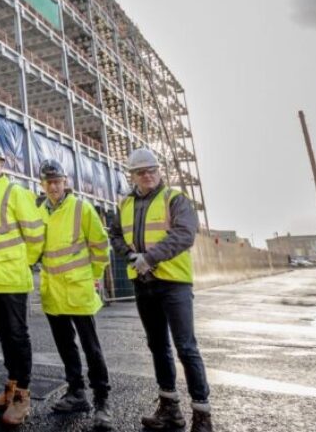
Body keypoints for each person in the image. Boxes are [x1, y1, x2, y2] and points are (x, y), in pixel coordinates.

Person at [109, 148, 213, 432]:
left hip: (173, 283)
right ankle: (169, 409)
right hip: (144, 284)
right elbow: (115, 234)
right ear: (132, 176)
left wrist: (149, 258)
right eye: (141, 172)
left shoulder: (175, 199)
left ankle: (202, 415)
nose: (148, 175)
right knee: (158, 346)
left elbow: (184, 234)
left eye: (152, 170)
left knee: (186, 347)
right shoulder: (125, 204)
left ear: (159, 170)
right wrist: (131, 257)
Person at [35, 159, 113, 428]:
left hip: (79, 289)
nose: (54, 186)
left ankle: (102, 402)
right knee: (66, 346)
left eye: (58, 181)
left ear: (65, 182)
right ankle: (76, 392)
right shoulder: (40, 212)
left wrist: (94, 276)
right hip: (53, 292)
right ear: (42, 185)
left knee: (92, 348)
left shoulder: (82, 208)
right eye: (49, 182)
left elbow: (101, 246)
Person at [0, 143, 45, 426]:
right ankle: (11, 387)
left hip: (12, 279)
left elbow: (36, 233)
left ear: (2, 164)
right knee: (3, 335)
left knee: (17, 335)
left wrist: (22, 262)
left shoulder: (16, 193)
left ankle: (23, 396)